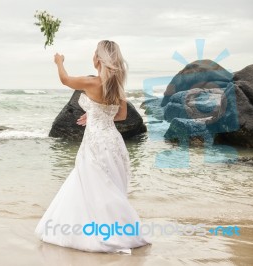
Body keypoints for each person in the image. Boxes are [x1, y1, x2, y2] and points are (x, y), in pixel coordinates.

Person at [34, 40, 151, 253]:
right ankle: (119, 231)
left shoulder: (93, 82)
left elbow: (65, 79)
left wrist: (59, 61)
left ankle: (97, 234)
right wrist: (97, 114)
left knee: (94, 186)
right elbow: (122, 115)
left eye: (94, 53)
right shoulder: (117, 87)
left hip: (96, 143)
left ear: (98, 59)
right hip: (114, 143)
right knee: (109, 186)